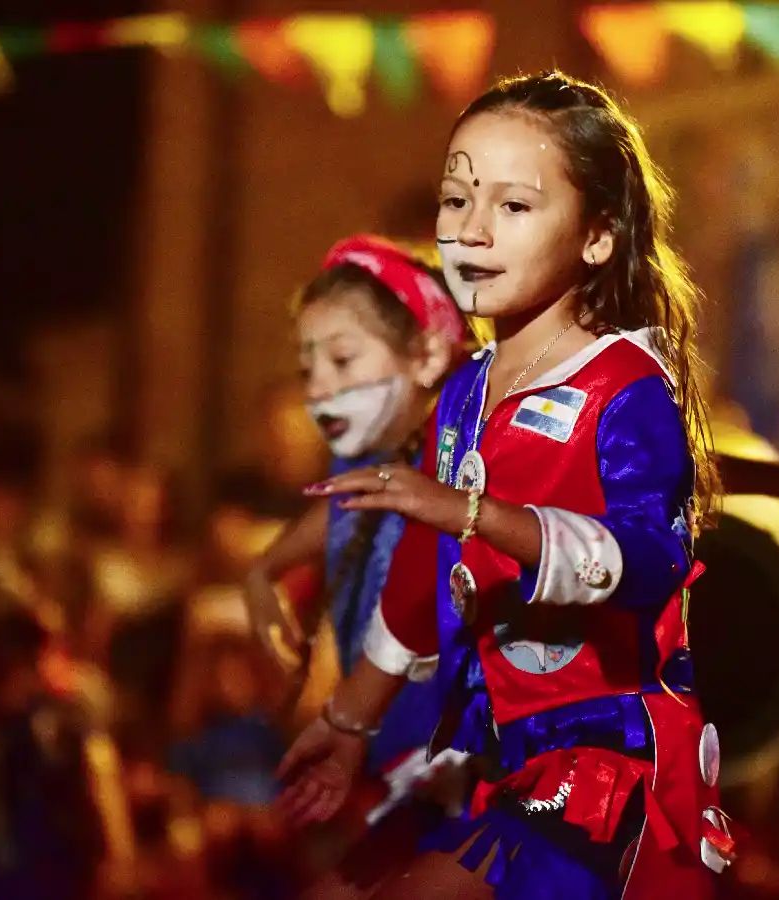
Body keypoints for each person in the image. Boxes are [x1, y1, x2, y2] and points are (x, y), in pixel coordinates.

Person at [278, 71, 733, 900]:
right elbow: (420, 577)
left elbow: (650, 558)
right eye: (458, 201)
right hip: (500, 762)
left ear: (598, 235)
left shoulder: (626, 385)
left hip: (608, 769)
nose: (472, 231)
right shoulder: (464, 392)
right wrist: (347, 721)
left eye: (514, 206)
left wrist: (474, 513)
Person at [246, 234, 471, 892]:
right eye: (308, 367)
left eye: (343, 360)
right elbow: (326, 522)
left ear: (427, 355)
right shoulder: (364, 468)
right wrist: (262, 575)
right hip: (394, 785)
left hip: (475, 786)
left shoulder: (468, 460)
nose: (319, 388)